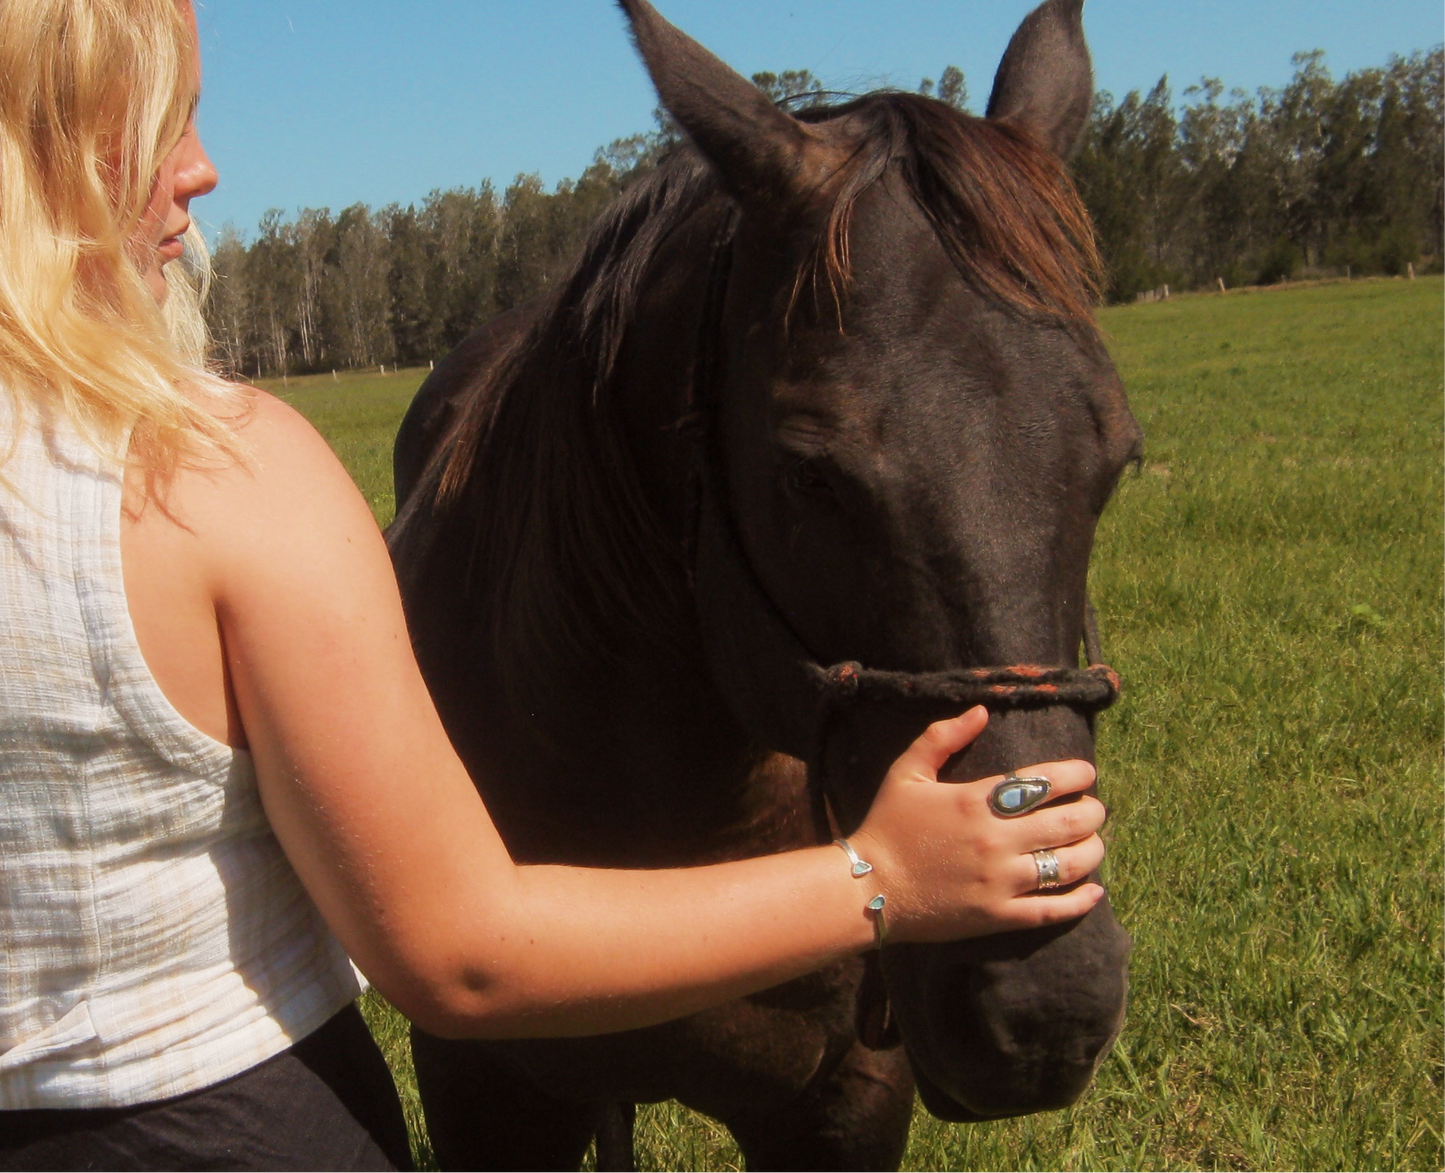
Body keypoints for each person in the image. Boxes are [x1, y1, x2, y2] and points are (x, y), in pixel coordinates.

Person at [0, 1, 1109, 1169]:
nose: (205, 167)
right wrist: (881, 879)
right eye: (158, 121)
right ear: (39, 152)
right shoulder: (220, 478)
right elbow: (460, 951)